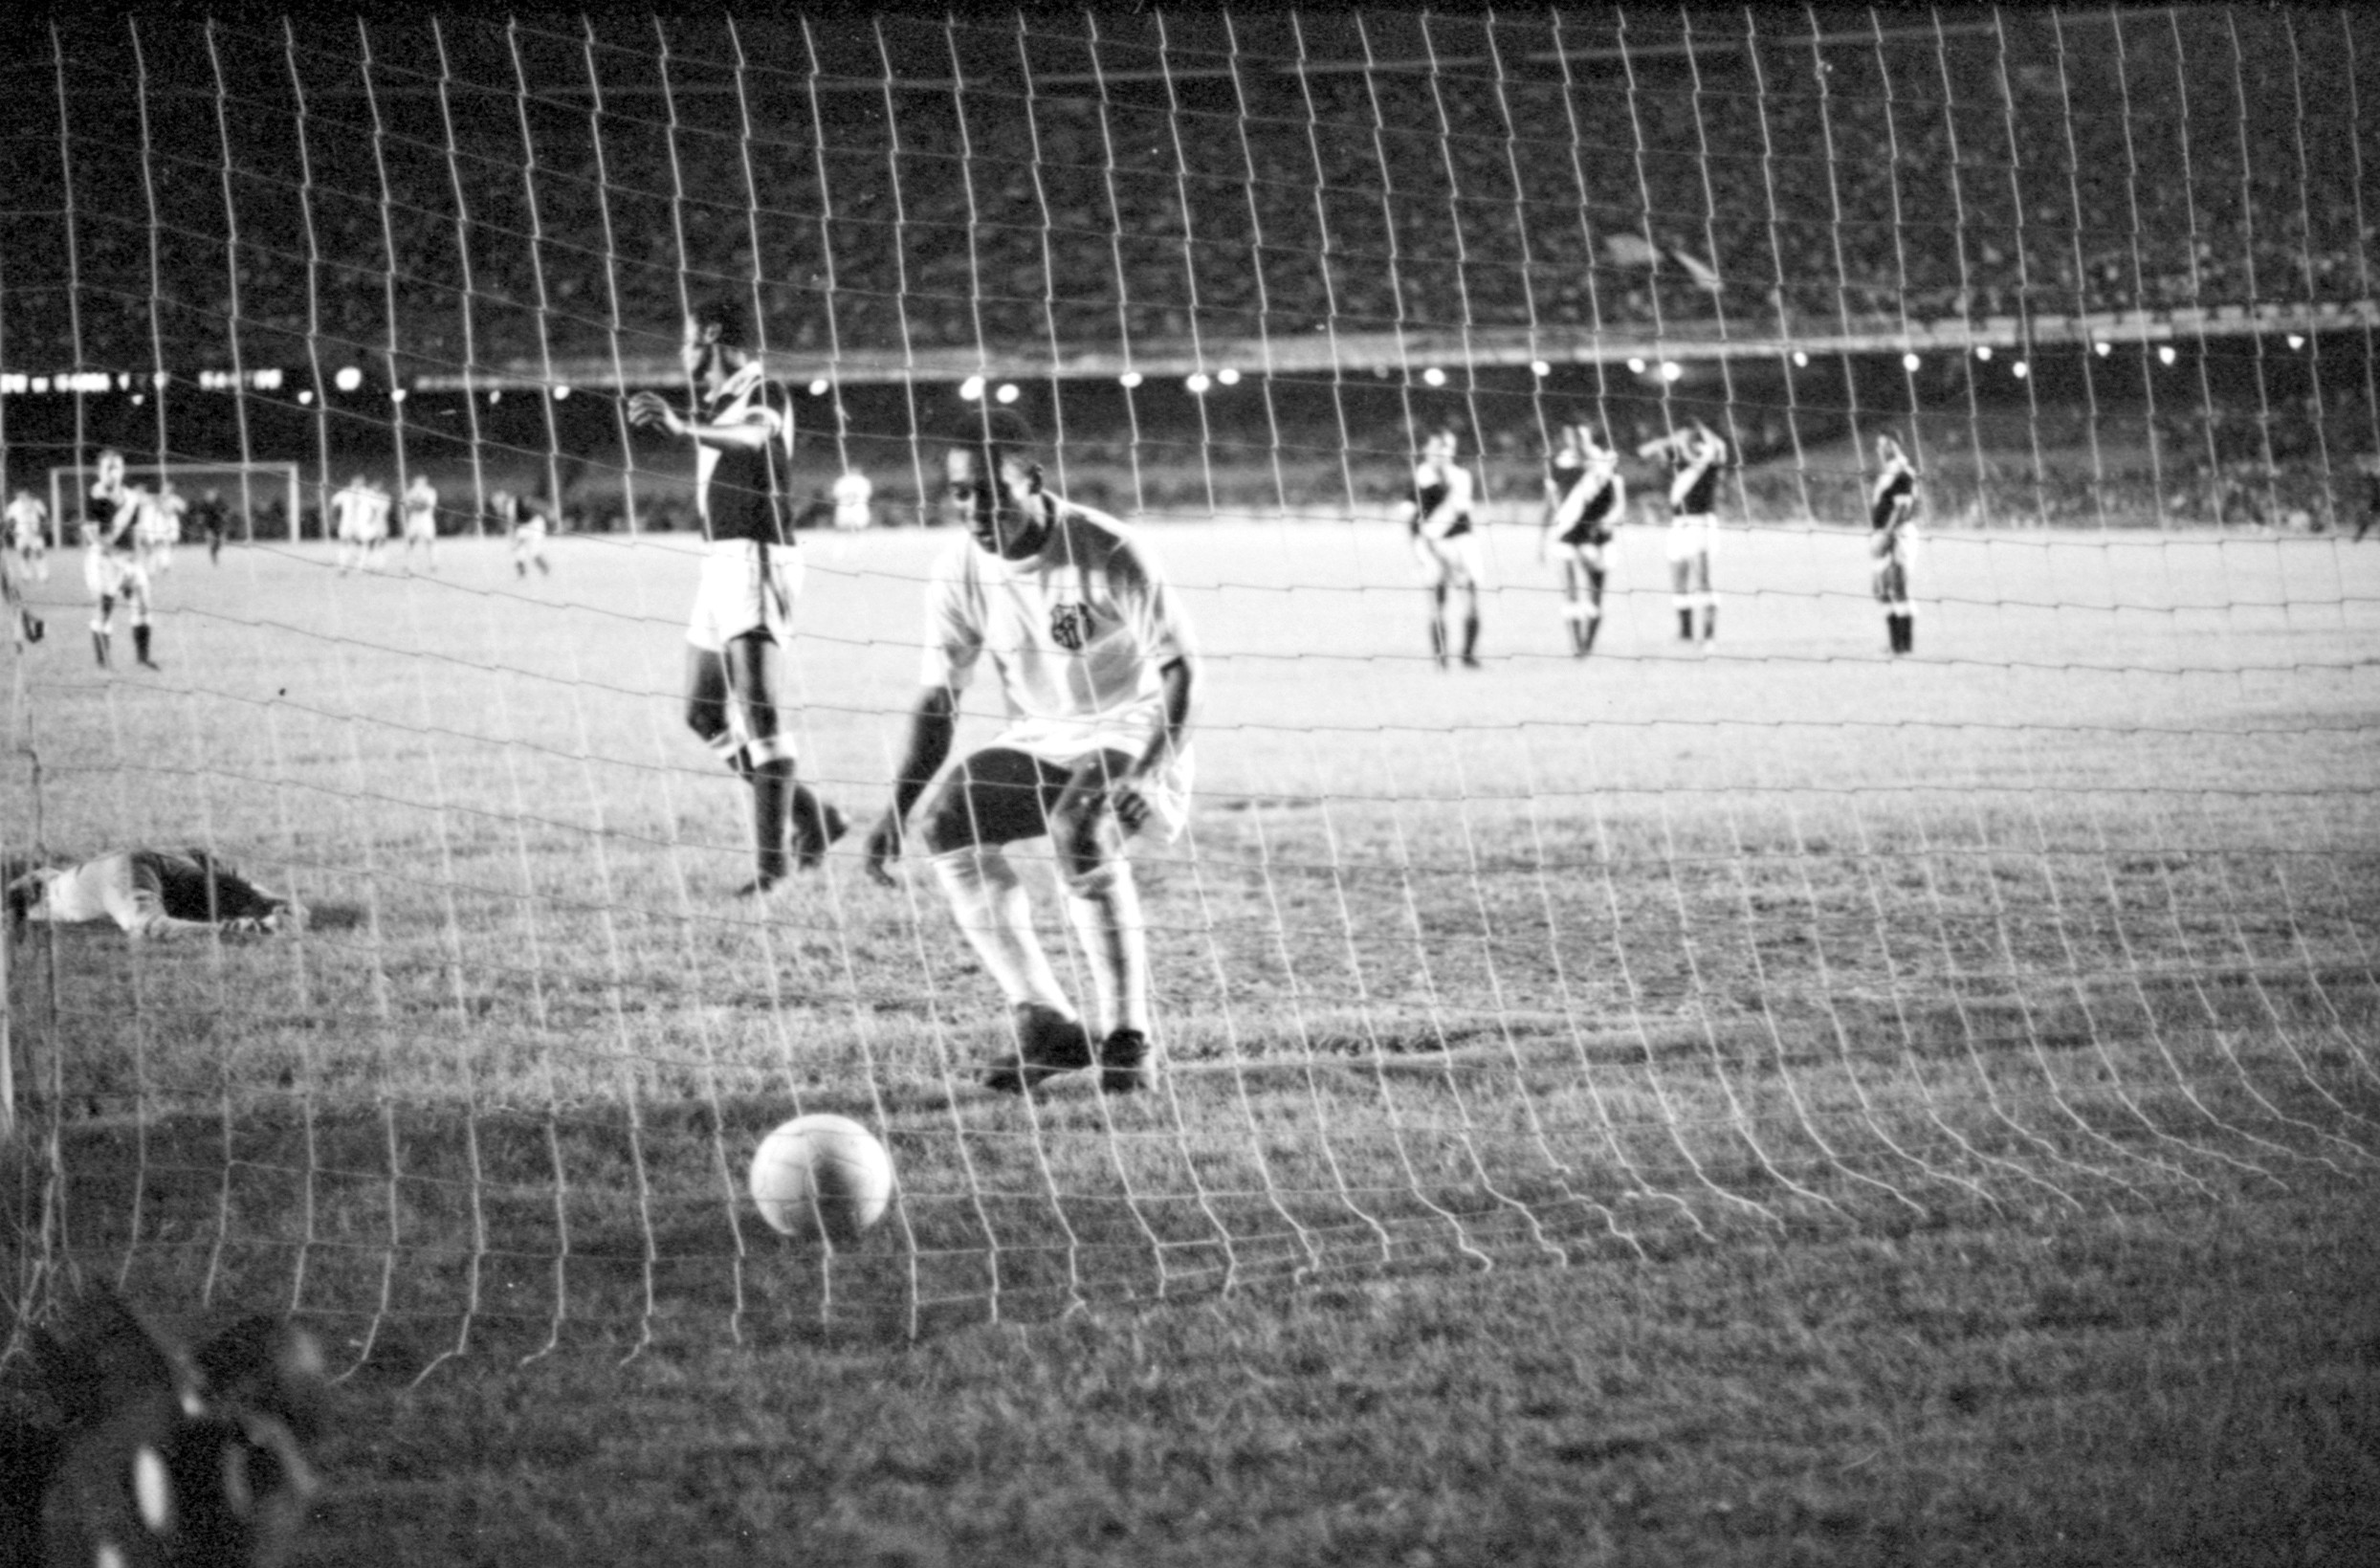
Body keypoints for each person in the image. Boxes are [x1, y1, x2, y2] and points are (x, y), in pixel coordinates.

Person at [863, 406, 1198, 1095]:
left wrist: (1148, 766)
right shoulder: (956, 570)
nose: (977, 508)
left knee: (1080, 824)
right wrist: (897, 808)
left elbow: (1181, 670)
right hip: (1043, 736)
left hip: (1131, 727)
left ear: (1034, 478)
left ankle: (1127, 1034)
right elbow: (939, 702)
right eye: (961, 492)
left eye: (991, 488)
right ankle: (1047, 1022)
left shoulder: (1107, 547)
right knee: (948, 822)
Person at [628, 297, 844, 896]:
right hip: (720, 562)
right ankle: (813, 817)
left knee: (761, 714)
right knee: (702, 711)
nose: (680, 350)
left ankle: (772, 870)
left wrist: (679, 426)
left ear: (713, 336)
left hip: (756, 556)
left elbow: (755, 437)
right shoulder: (718, 402)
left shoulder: (763, 389)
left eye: (686, 337)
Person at [7, 847, 301, 940]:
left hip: (108, 871)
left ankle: (256, 926)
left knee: (147, 925)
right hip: (139, 860)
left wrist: (272, 905)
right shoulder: (128, 881)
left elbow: (234, 881)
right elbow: (150, 925)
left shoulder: (194, 863)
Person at [1538, 417, 1622, 656]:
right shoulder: (1558, 464)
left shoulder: (1605, 464)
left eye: (1581, 437)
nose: (1577, 442)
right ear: (1566, 439)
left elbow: (1616, 502)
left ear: (1589, 437)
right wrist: (1542, 541)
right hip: (1565, 535)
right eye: (1572, 437)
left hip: (1596, 538)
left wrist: (1607, 522)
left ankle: (1588, 643)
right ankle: (1577, 647)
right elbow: (1550, 504)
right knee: (1571, 592)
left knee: (1595, 595)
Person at [1640, 418, 1729, 644]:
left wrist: (1702, 429)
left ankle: (1708, 634)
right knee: (1678, 578)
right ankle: (1686, 632)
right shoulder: (1678, 456)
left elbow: (1720, 448)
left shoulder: (1709, 456)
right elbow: (1644, 451)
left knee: (1702, 579)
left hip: (1701, 523)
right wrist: (1671, 440)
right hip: (1679, 524)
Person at [1407, 425, 1486, 669]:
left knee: (1470, 596)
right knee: (1437, 599)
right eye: (1438, 446)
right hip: (1432, 544)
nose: (1443, 451)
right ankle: (1440, 657)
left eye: (1448, 446)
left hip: (1462, 543)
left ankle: (1468, 655)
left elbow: (1463, 511)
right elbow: (1410, 517)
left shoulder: (1462, 476)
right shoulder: (1420, 478)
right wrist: (1421, 547)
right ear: (1426, 449)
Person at [82, 507, 158, 671]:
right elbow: (89, 531)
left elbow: (139, 533)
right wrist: (111, 549)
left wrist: (143, 549)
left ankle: (143, 658)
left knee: (143, 606)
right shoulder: (101, 498)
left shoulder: (133, 503)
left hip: (129, 560)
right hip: (103, 560)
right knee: (104, 607)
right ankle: (103, 661)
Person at [1870, 433, 1920, 654]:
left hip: (1899, 534)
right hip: (1883, 532)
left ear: (1898, 445)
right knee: (1880, 588)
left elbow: (1901, 509)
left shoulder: (1903, 472)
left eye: (1888, 443)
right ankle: (1894, 643)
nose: (1883, 448)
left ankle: (1904, 646)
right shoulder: (1888, 472)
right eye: (1880, 444)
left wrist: (1886, 535)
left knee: (1898, 586)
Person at [329, 475, 389, 574]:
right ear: (352, 481)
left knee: (366, 543)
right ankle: (343, 567)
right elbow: (334, 502)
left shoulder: (368, 493)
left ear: (363, 482)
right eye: (356, 481)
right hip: (347, 522)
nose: (358, 483)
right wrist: (334, 517)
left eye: (360, 482)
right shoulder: (346, 492)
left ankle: (361, 566)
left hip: (363, 523)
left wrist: (372, 519)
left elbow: (376, 507)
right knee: (345, 543)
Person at [491, 488, 553, 578]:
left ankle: (546, 570)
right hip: (523, 526)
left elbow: (512, 524)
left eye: (497, 501)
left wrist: (515, 539)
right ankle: (522, 574)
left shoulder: (513, 502)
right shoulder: (504, 508)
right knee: (518, 551)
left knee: (534, 551)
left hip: (535, 524)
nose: (496, 504)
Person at [6, 487, 50, 583]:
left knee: (39, 553)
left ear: (27, 492)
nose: (22, 495)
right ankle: (26, 576)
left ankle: (43, 576)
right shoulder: (14, 506)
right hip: (21, 534)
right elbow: (8, 521)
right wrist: (12, 532)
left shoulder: (36, 503)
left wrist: (42, 530)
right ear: (16, 494)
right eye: (19, 493)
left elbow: (45, 516)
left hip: (35, 533)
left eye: (23, 492)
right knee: (24, 554)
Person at [400, 472, 439, 569]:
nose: (419, 483)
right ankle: (408, 564)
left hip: (426, 519)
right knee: (410, 541)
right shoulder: (410, 492)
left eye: (421, 480)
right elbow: (407, 506)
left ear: (425, 481)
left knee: (430, 541)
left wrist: (416, 505)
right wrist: (415, 505)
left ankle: (433, 564)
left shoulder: (430, 491)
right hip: (414, 519)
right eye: (417, 481)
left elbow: (426, 506)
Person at [191, 486, 231, 565]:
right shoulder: (203, 503)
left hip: (219, 524)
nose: (210, 497)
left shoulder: (220, 502)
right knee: (212, 541)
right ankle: (213, 554)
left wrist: (225, 517)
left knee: (220, 543)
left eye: (212, 495)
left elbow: (226, 510)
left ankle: (214, 551)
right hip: (208, 526)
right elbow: (199, 514)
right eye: (208, 495)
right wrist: (200, 522)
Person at [832, 465, 873, 531]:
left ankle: (859, 529)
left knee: (859, 519)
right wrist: (847, 496)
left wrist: (855, 496)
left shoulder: (863, 481)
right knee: (844, 518)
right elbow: (836, 492)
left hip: (859, 503)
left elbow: (867, 492)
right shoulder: (842, 481)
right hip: (845, 503)